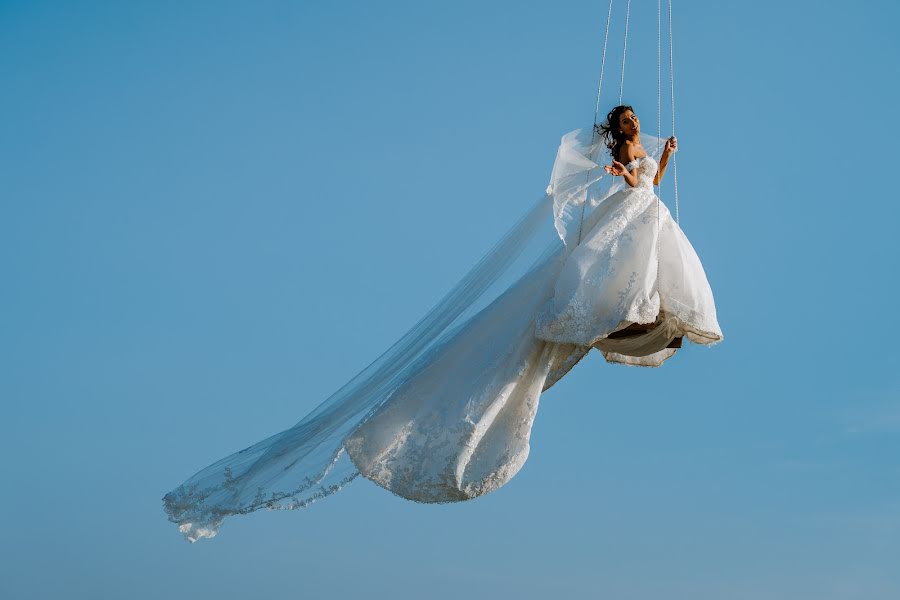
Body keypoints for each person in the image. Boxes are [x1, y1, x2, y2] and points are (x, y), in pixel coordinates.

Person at [163, 105, 723, 542]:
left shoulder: (641, 147)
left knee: (639, 265)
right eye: (632, 121)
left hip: (643, 203)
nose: (638, 125)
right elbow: (634, 179)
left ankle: (628, 314)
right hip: (635, 204)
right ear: (622, 125)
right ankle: (621, 314)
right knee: (629, 265)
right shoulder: (626, 145)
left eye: (638, 123)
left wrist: (664, 157)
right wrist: (630, 173)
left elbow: (649, 176)